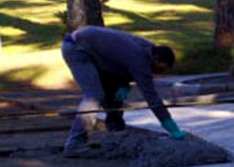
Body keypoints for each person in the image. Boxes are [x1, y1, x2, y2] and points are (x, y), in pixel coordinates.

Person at [59, 24, 190, 155]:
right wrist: (172, 128)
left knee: (113, 93)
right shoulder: (141, 59)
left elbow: (120, 61)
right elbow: (152, 97)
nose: (156, 73)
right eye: (159, 69)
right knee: (94, 96)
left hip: (93, 48)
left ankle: (116, 134)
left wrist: (123, 83)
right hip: (77, 48)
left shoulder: (148, 50)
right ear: (156, 59)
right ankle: (74, 144)